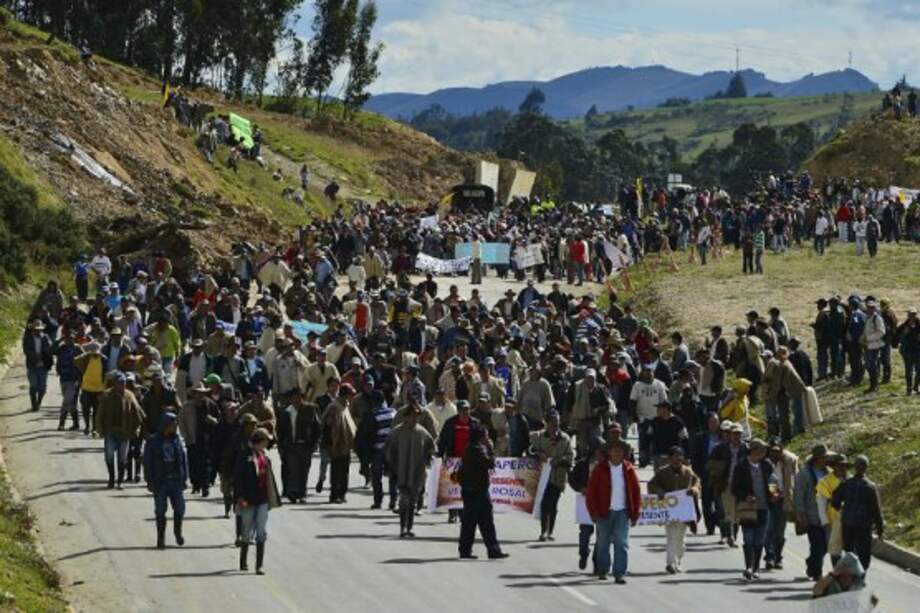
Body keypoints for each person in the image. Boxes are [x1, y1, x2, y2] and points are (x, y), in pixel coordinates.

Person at [586, 440, 641, 582]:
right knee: (603, 543)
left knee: (621, 543)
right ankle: (603, 569)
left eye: (620, 450)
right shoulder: (600, 469)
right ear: (609, 452)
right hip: (604, 512)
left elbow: (636, 492)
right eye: (614, 450)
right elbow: (591, 492)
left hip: (622, 512)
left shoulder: (629, 469)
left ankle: (620, 573)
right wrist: (593, 511)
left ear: (624, 453)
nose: (617, 453)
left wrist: (635, 513)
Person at [233, 428, 282, 575]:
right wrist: (240, 497)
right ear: (259, 441)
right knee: (246, 531)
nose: (267, 443)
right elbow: (238, 478)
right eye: (266, 440)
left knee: (261, 531)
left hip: (262, 499)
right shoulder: (244, 456)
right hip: (248, 499)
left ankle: (259, 565)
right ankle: (243, 561)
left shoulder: (264, 456)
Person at [458, 425, 509, 560]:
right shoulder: (477, 449)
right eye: (486, 436)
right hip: (476, 491)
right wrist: (491, 449)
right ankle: (474, 550)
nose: (488, 438)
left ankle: (490, 550)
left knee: (482, 522)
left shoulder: (471, 448)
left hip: (473, 489)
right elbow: (489, 463)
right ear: (480, 437)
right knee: (477, 522)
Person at [647, 446, 701, 573]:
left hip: (684, 511)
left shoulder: (688, 472)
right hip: (669, 510)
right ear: (670, 458)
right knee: (671, 536)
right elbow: (651, 484)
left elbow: (697, 482)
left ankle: (678, 559)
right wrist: (659, 491)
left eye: (679, 456)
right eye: (674, 456)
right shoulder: (662, 472)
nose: (677, 459)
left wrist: (694, 489)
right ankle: (670, 563)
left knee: (680, 539)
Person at [385, 405, 435, 537]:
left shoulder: (422, 432)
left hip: (417, 472)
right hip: (400, 471)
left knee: (413, 501)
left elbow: (431, 447)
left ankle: (409, 527)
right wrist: (391, 467)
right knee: (404, 500)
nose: (414, 418)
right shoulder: (397, 432)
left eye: (416, 416)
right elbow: (389, 450)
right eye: (412, 416)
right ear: (406, 417)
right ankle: (402, 527)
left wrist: (428, 459)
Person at [143, 412, 188, 549]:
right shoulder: (153, 442)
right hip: (160, 481)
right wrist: (149, 480)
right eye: (173, 424)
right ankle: (161, 537)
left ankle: (177, 532)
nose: (175, 427)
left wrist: (184, 478)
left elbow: (183, 460)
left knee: (180, 509)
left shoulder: (177, 441)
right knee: (160, 510)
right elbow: (147, 462)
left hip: (176, 481)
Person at [832, 454, 884, 572]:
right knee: (863, 555)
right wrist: (880, 529)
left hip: (848, 523)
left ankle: (849, 576)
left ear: (855, 467)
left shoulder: (846, 483)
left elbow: (834, 501)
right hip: (863, 526)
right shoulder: (870, 487)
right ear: (866, 468)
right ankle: (860, 575)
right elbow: (876, 510)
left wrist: (843, 509)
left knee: (849, 552)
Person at [731, 438, 774, 581]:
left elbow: (773, 482)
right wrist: (745, 496)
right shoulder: (741, 466)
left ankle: (756, 568)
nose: (765, 452)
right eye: (762, 449)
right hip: (747, 508)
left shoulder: (767, 465)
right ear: (754, 450)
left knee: (759, 541)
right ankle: (748, 566)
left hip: (764, 507)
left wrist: (774, 494)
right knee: (748, 539)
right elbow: (734, 487)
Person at [95, 372, 145, 489]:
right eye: (119, 383)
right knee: (109, 456)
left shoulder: (129, 396)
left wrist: (135, 430)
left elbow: (138, 414)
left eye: (123, 383)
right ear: (114, 383)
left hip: (124, 433)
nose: (122, 385)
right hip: (110, 432)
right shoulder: (106, 395)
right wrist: (100, 429)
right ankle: (111, 479)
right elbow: (100, 414)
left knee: (122, 458)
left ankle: (120, 481)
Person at [530, 411, 574, 542]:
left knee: (553, 504)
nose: (556, 426)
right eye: (553, 424)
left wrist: (559, 461)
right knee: (544, 503)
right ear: (547, 423)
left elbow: (571, 457)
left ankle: (550, 531)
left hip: (558, 477)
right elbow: (529, 451)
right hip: (543, 477)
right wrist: (538, 454)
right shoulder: (538, 436)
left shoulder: (565, 438)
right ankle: (544, 531)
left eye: (557, 423)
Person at [276, 391, 321, 503]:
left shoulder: (310, 409)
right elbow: (280, 430)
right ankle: (293, 492)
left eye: (298, 398)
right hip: (291, 445)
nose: (296, 400)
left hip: (305, 445)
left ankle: (302, 494)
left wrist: (316, 442)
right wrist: (280, 446)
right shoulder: (285, 412)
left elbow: (317, 427)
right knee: (293, 469)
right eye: (293, 398)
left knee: (304, 470)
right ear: (290, 399)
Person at [795, 444, 831, 581]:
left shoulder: (829, 473)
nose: (826, 459)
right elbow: (799, 495)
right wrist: (801, 514)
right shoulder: (804, 474)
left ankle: (811, 563)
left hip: (827, 517)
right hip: (812, 516)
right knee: (817, 545)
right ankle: (817, 573)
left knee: (826, 546)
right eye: (824, 457)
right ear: (817, 458)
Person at [764, 437, 798, 570]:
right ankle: (769, 557)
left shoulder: (789, 461)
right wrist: (773, 493)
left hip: (784, 499)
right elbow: (769, 480)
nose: (774, 454)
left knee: (780, 532)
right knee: (769, 530)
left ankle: (778, 557)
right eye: (772, 451)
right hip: (768, 500)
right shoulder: (764, 462)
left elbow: (795, 479)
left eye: (777, 451)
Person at [321, 386, 357, 504]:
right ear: (344, 395)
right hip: (336, 444)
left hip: (345, 445)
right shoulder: (334, 407)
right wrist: (330, 443)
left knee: (344, 471)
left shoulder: (345, 406)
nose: (352, 397)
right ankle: (334, 494)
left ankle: (342, 493)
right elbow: (327, 425)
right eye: (350, 394)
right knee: (336, 471)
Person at [817, 453, 849, 567]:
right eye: (839, 465)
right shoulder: (825, 482)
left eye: (844, 465)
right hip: (832, 522)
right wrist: (825, 522)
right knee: (835, 551)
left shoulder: (851, 481)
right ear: (834, 466)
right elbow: (821, 504)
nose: (842, 468)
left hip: (849, 522)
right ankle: (837, 571)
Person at [23, 319, 54, 412]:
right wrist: (36, 356)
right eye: (36, 329)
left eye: (39, 329)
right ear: (32, 329)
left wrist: (43, 355)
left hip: (43, 365)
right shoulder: (27, 338)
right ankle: (34, 405)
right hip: (32, 365)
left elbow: (50, 349)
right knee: (33, 385)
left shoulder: (46, 337)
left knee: (42, 387)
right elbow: (26, 351)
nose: (38, 331)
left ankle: (39, 402)